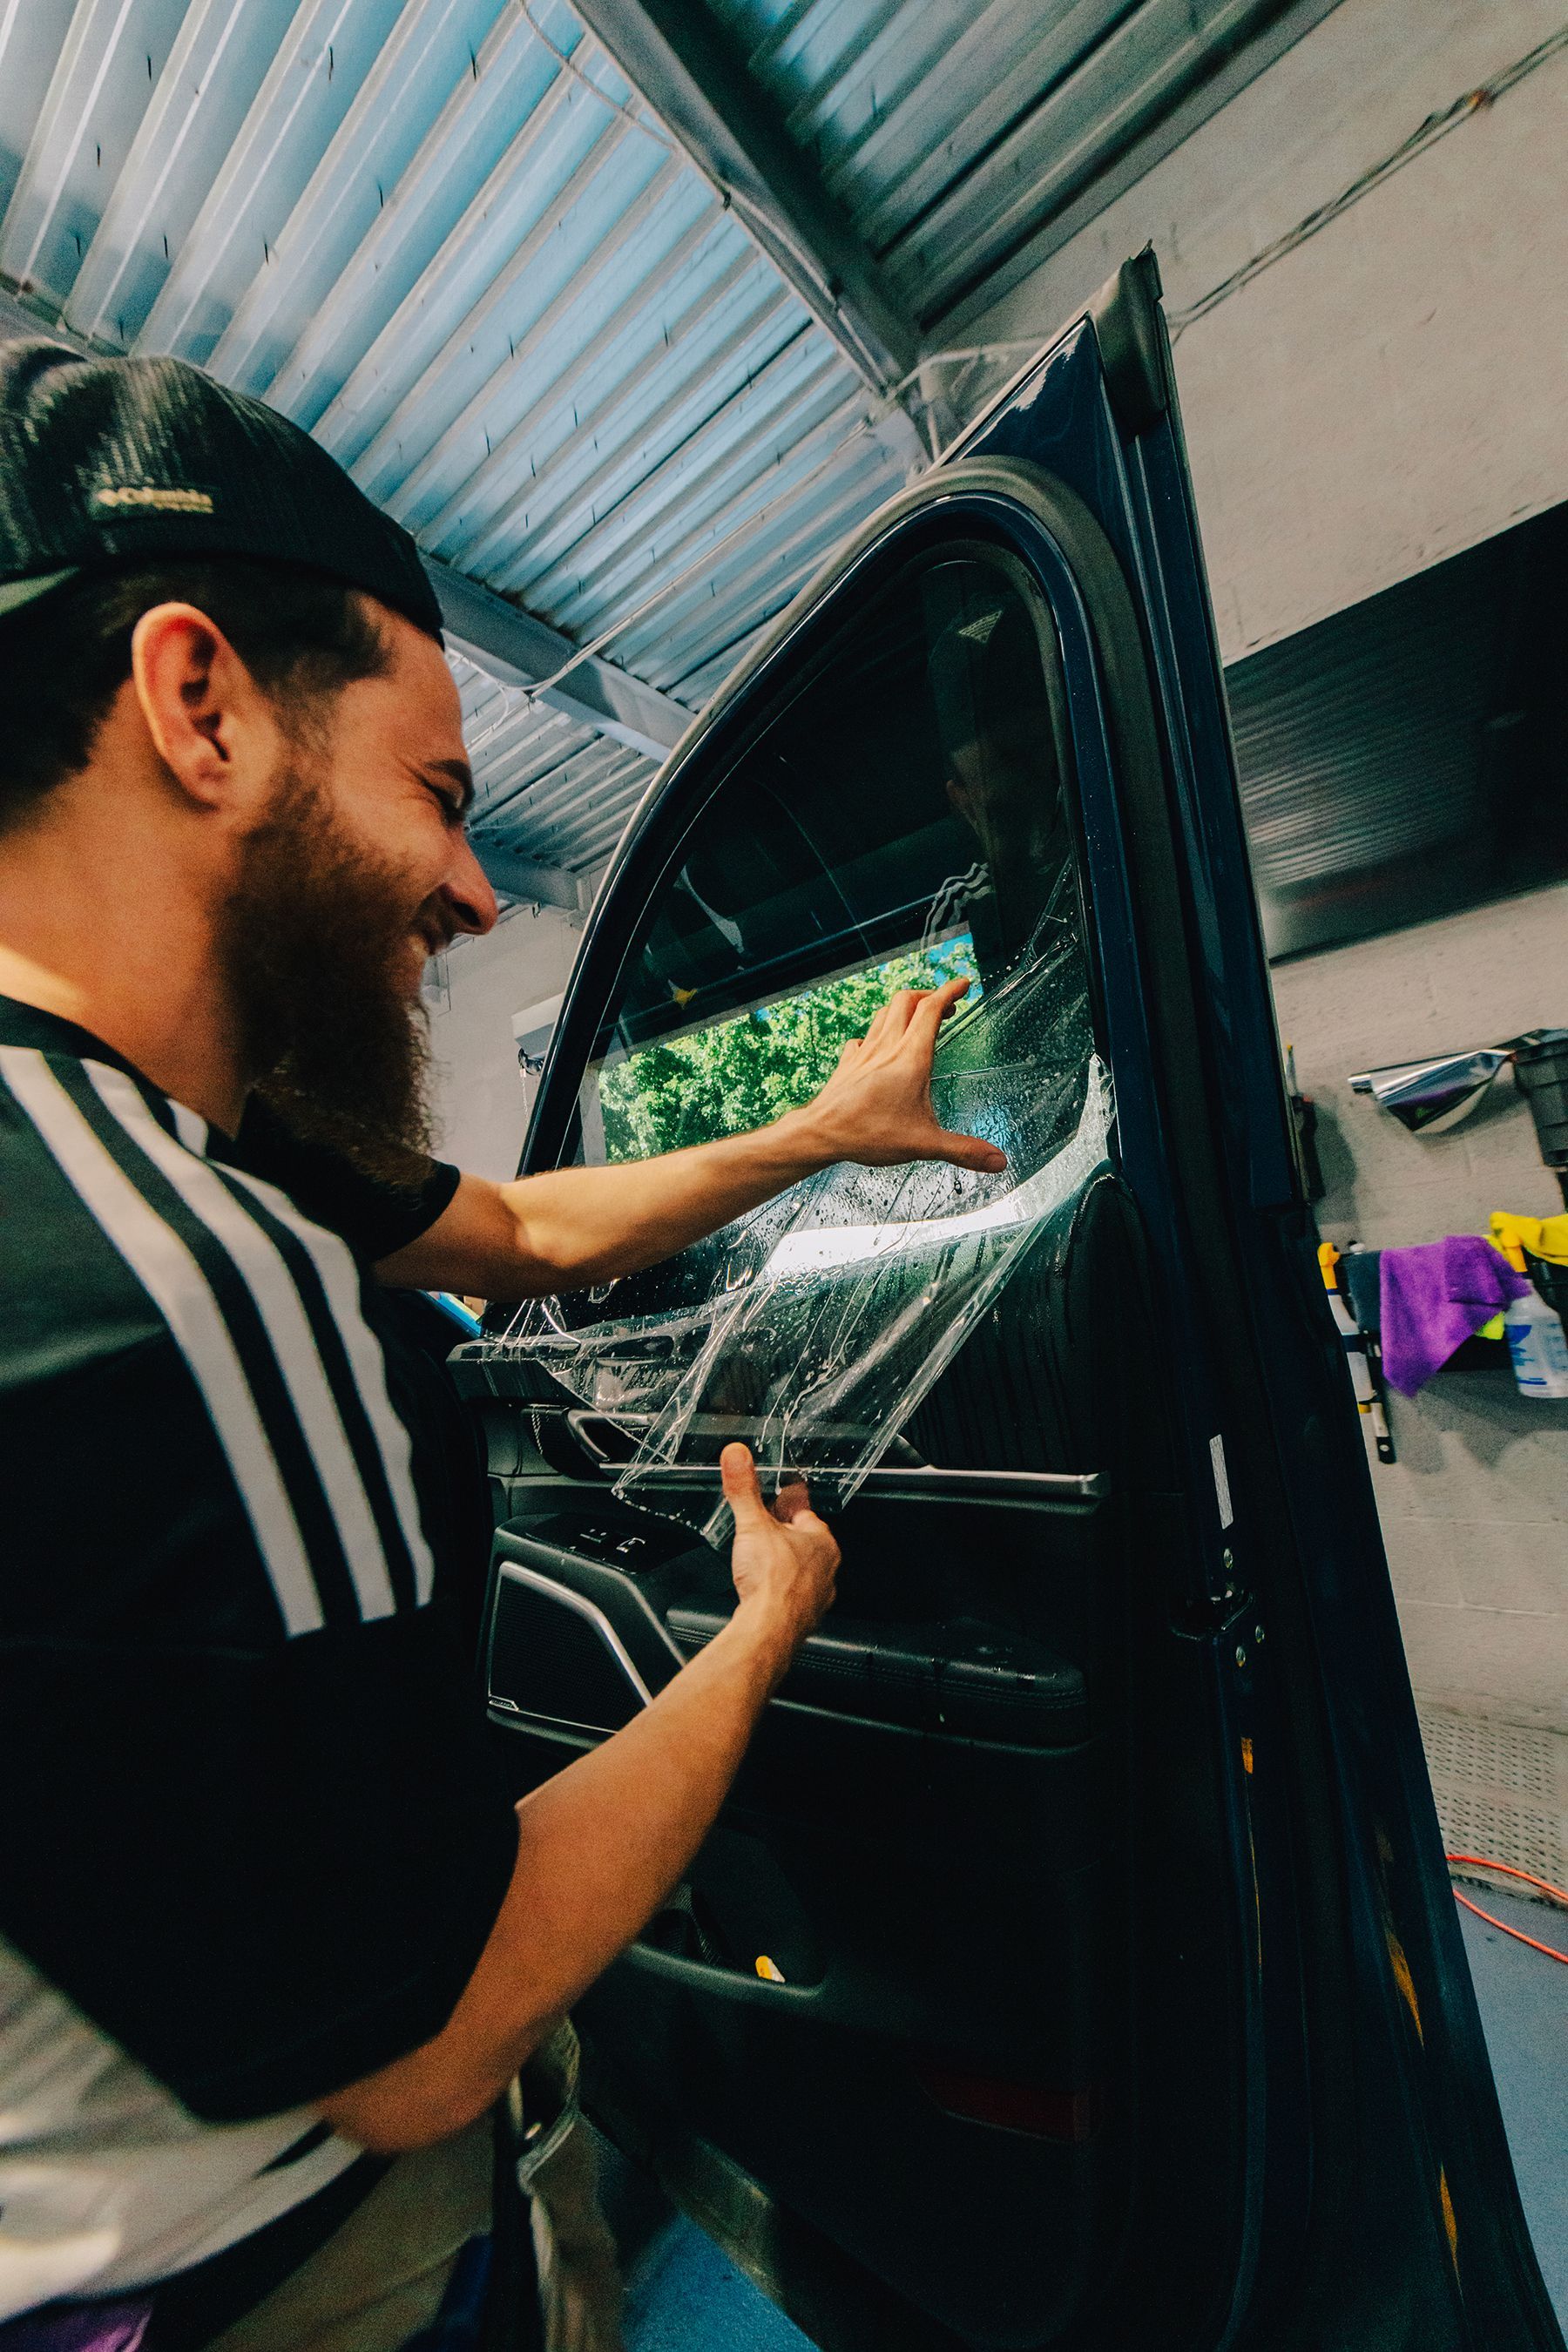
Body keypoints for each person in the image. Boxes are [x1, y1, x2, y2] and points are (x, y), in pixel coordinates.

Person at [0, 341, 1006, 2351]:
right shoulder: (178, 1290)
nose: (473, 887)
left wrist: (820, 1131)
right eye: (441, 797)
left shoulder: (181, 1154)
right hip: (239, 2276)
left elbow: (525, 1227)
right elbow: (425, 2046)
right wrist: (762, 1630)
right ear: (199, 703)